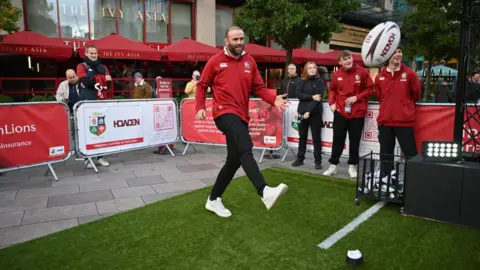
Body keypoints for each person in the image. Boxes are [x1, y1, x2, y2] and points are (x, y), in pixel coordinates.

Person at [195, 26, 289, 218]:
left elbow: (259, 87)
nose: (239, 42)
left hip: (241, 115)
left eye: (241, 39)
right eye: (235, 39)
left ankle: (213, 199)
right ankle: (264, 192)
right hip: (224, 113)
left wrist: (273, 98)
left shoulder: (250, 61)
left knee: (234, 161)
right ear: (226, 41)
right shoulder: (215, 61)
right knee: (245, 147)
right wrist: (200, 108)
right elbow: (202, 86)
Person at [323, 50, 374, 178]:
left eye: (349, 58)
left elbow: (370, 88)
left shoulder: (362, 72)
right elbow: (333, 90)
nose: (348, 61)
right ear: (340, 62)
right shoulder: (336, 74)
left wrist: (357, 97)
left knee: (354, 141)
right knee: (337, 140)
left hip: (357, 113)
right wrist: (331, 103)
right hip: (340, 112)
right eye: (345, 59)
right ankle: (333, 166)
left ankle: (352, 166)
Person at [375, 47, 421, 175]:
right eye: (394, 52)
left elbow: (415, 95)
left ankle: (413, 183)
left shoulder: (411, 74)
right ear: (387, 55)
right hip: (385, 122)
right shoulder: (379, 77)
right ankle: (388, 181)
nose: (398, 54)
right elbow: (380, 97)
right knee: (385, 155)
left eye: (399, 51)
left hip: (404, 122)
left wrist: (404, 107)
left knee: (410, 154)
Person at [76, 45, 112, 168]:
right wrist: (100, 79)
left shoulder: (103, 67)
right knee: (87, 131)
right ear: (86, 54)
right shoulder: (81, 66)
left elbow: (109, 83)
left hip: (101, 103)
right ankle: (87, 158)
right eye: (91, 53)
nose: (93, 55)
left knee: (100, 131)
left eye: (95, 53)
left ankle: (100, 157)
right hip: (87, 103)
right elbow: (84, 81)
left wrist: (94, 80)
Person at [291, 61, 324, 169]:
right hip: (302, 112)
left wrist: (308, 111)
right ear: (306, 70)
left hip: (314, 113)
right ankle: (300, 159)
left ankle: (318, 161)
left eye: (314, 67)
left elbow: (317, 99)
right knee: (302, 137)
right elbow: (298, 94)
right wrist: (311, 96)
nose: (312, 69)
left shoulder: (319, 82)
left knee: (316, 138)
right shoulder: (301, 81)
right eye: (310, 68)